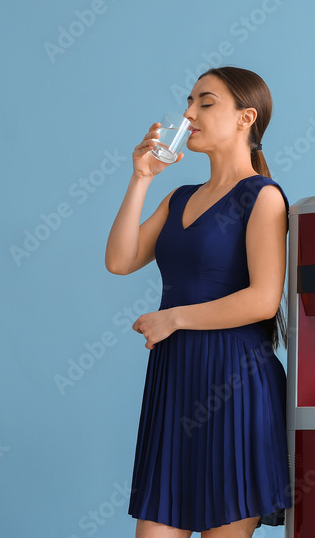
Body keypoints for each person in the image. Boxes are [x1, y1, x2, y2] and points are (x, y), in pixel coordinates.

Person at [105, 66, 292, 537]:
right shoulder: (178, 197)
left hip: (236, 383)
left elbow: (264, 300)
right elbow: (120, 260)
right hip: (175, 380)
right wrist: (141, 178)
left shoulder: (264, 198)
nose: (189, 114)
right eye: (189, 102)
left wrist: (174, 319)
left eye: (205, 103)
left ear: (245, 117)